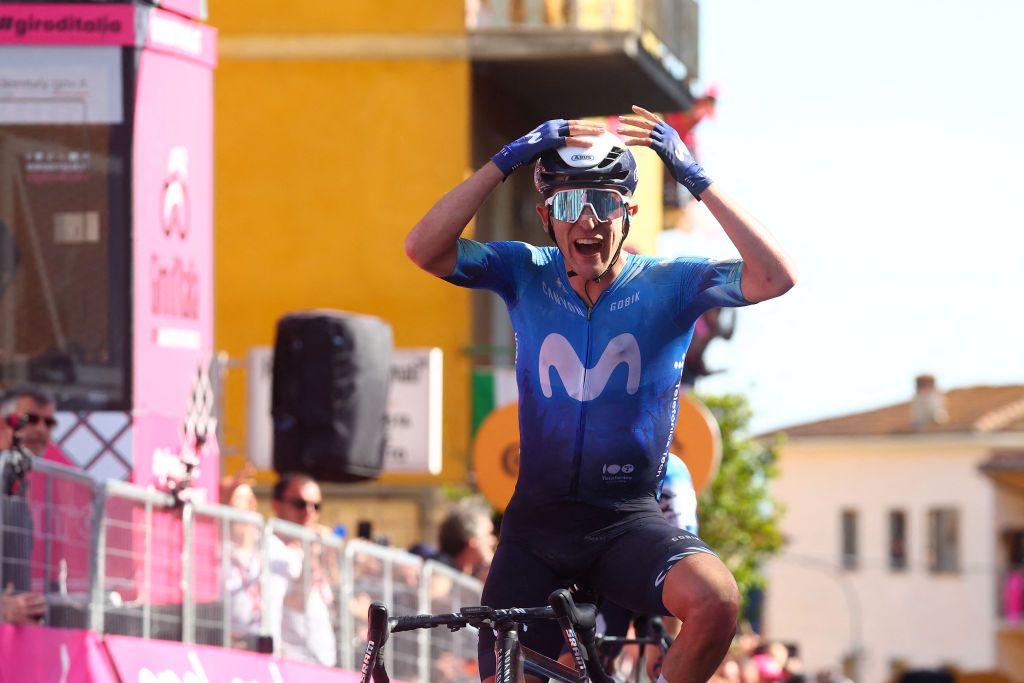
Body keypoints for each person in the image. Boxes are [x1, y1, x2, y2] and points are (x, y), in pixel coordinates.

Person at [405, 104, 796, 683]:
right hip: (536, 530)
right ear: (546, 217)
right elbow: (423, 249)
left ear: (630, 212)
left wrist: (695, 179)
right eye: (568, 204)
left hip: (626, 523)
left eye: (605, 202)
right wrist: (504, 161)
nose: (588, 219)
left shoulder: (674, 283)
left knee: (716, 600)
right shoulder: (523, 271)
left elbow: (774, 277)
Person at [266, 472, 337, 666]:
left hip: (320, 661)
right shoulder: (271, 548)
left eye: (316, 506)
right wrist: (312, 552)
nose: (309, 512)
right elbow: (295, 605)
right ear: (277, 505)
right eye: (299, 504)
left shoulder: (304, 549)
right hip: (290, 662)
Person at [435, 496, 497, 581]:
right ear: (472, 540)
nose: (493, 540)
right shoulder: (441, 570)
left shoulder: (475, 571)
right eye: (488, 534)